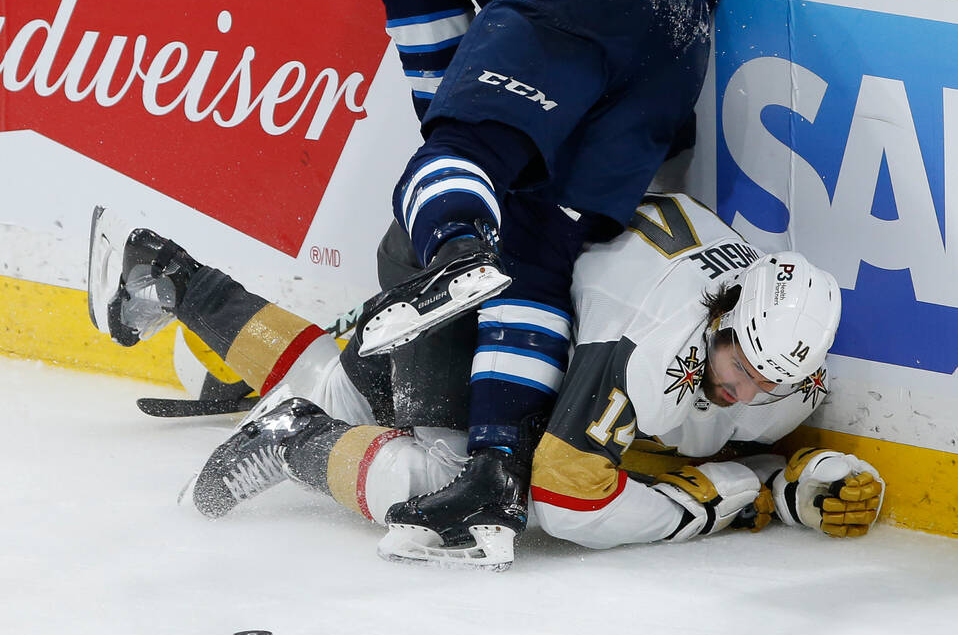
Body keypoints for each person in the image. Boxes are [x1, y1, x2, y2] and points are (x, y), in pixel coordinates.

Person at [328, 0, 715, 563]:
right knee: (540, 245)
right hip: (680, 18)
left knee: (455, 158)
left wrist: (461, 207)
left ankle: (458, 255)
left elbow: (439, 94)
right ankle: (496, 477)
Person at [87, 193, 884, 569]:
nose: (746, 394)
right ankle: (293, 441)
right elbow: (572, 503)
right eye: (738, 369)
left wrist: (790, 474)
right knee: (445, 484)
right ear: (722, 313)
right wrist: (746, 494)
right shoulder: (649, 336)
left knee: (343, 380)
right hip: (465, 282)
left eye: (768, 386)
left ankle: (173, 278)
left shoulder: (779, 355)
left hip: (492, 272)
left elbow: (681, 427)